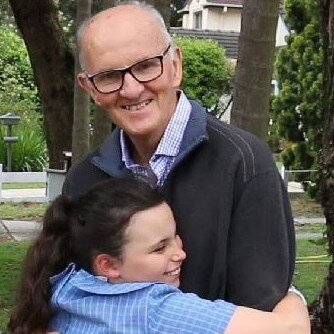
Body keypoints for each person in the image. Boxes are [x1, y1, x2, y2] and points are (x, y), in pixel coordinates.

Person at [63, 1, 296, 310]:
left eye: (146, 66)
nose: (131, 90)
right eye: (108, 76)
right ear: (88, 87)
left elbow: (260, 312)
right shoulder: (84, 182)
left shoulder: (243, 164)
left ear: (175, 65)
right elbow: (70, 302)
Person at [9, 177, 309, 334]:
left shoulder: (66, 287)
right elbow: (290, 330)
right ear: (109, 265)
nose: (180, 253)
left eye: (175, 236)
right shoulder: (153, 309)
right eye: (159, 248)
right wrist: (287, 288)